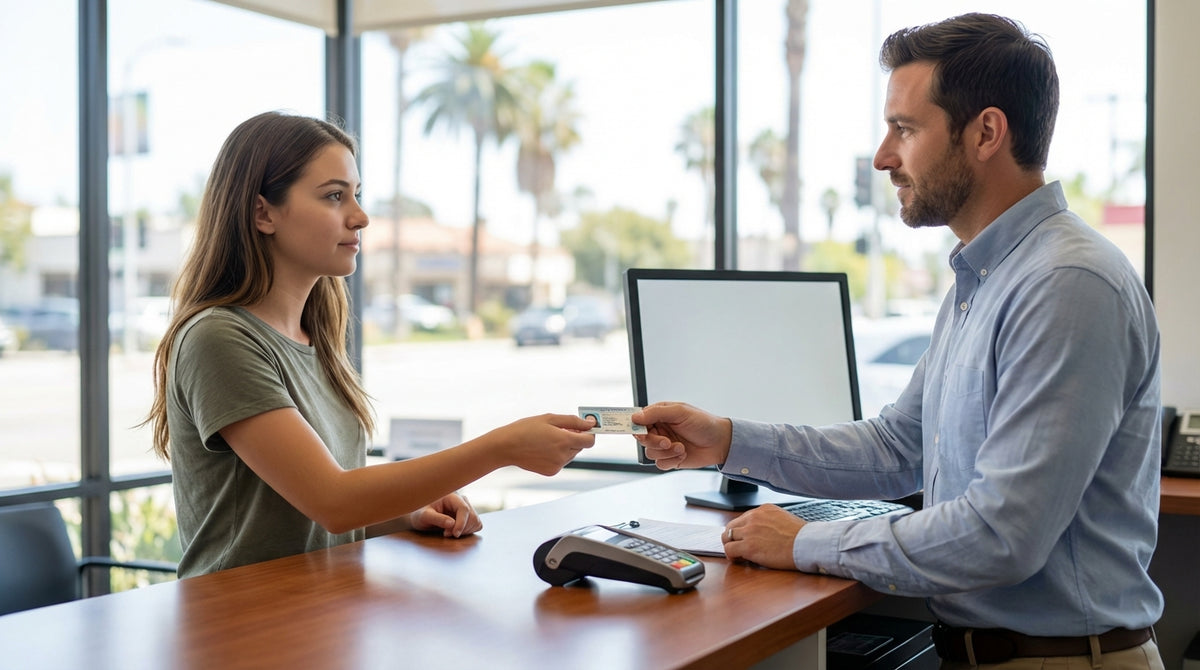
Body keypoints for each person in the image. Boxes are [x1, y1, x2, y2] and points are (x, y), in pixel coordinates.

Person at [635, 13, 1165, 670]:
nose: (885, 156)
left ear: (987, 133)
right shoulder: (985, 276)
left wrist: (805, 541)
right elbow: (897, 448)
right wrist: (729, 441)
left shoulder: (1066, 283)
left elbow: (1003, 536)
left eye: (905, 130)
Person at [145, 111, 596, 578]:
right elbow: (333, 500)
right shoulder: (218, 338)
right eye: (334, 196)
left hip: (318, 620)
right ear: (263, 213)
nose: (360, 217)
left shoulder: (312, 338)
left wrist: (404, 513)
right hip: (239, 629)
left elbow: (304, 515)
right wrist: (503, 448)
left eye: (356, 195)